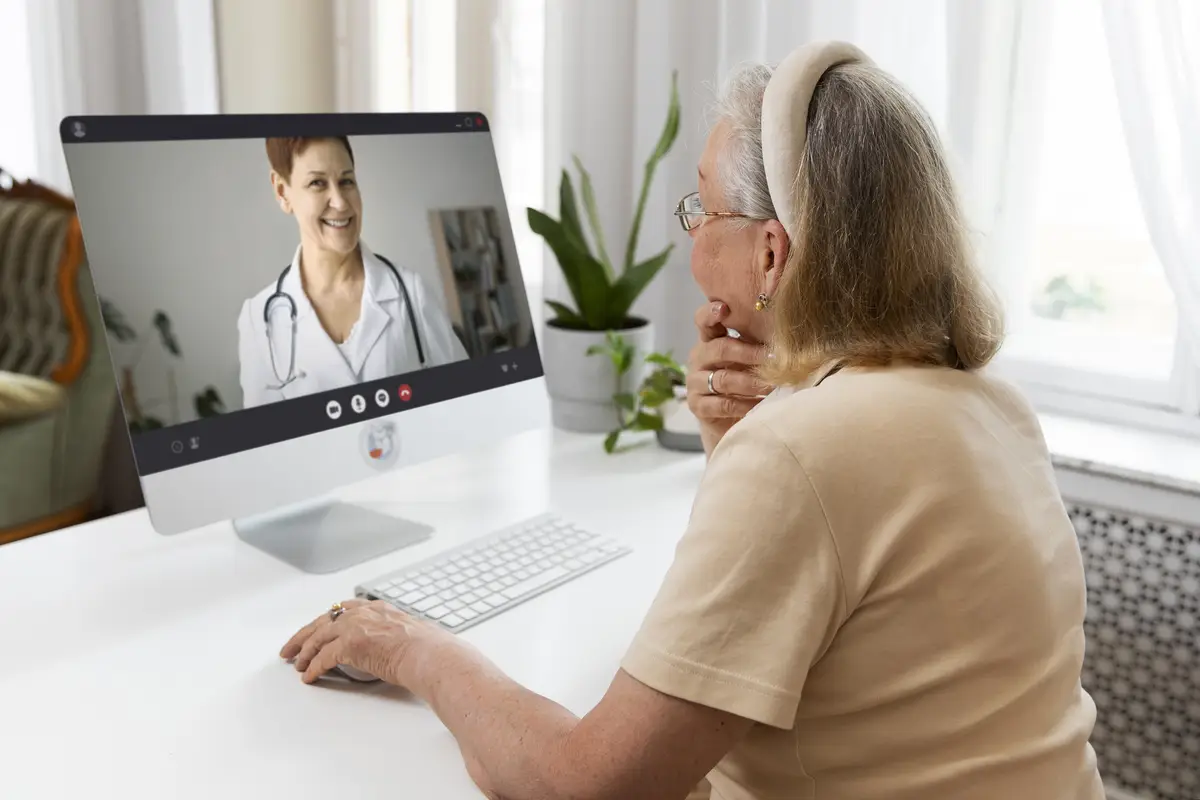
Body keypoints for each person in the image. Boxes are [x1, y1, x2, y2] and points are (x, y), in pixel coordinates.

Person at [281, 41, 1105, 800]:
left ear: (773, 255)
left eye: (701, 214)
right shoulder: (993, 404)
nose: (691, 250)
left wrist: (414, 646)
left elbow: (587, 786)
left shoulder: (807, 450)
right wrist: (737, 447)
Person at [237, 136, 468, 408]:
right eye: (317, 183)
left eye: (346, 181)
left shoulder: (411, 293)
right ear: (282, 192)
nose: (341, 202)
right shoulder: (258, 319)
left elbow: (467, 403)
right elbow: (265, 441)